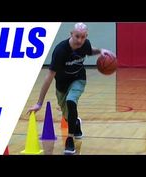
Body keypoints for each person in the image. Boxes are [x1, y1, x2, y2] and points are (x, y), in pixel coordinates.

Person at [27, 22, 116, 154]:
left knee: (71, 100)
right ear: (71, 34)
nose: (80, 40)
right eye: (77, 36)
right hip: (62, 84)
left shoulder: (85, 44)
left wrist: (100, 51)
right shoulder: (60, 51)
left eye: (83, 37)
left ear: (86, 36)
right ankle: (76, 123)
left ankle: (70, 139)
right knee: (68, 115)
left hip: (78, 79)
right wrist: (39, 103)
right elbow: (49, 76)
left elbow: (89, 50)